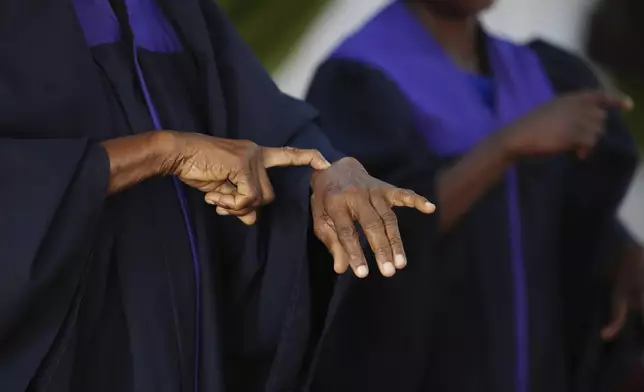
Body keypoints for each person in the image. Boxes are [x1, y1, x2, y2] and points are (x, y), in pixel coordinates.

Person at [0, 0, 436, 391]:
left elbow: (265, 127)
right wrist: (162, 151)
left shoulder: (170, 9)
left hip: (195, 353)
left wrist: (326, 174)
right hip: (77, 352)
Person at [305, 1, 643, 391]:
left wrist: (623, 255)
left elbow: (571, 210)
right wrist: (506, 145)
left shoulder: (541, 73)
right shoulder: (358, 79)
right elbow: (371, 235)